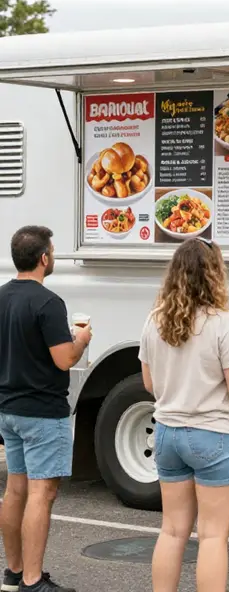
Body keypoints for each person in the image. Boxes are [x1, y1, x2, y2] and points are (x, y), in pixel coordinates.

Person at [138, 238, 229, 592]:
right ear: (214, 274)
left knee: (173, 530)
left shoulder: (154, 320)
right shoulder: (224, 324)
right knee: (211, 537)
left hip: (166, 433)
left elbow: (150, 382)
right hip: (215, 435)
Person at [0, 225, 92, 592]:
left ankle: (13, 572)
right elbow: (64, 360)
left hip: (8, 409)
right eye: (52, 251)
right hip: (42, 411)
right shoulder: (48, 303)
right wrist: (81, 340)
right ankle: (33, 581)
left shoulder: (2, 297)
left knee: (15, 491)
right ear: (43, 258)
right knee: (42, 494)